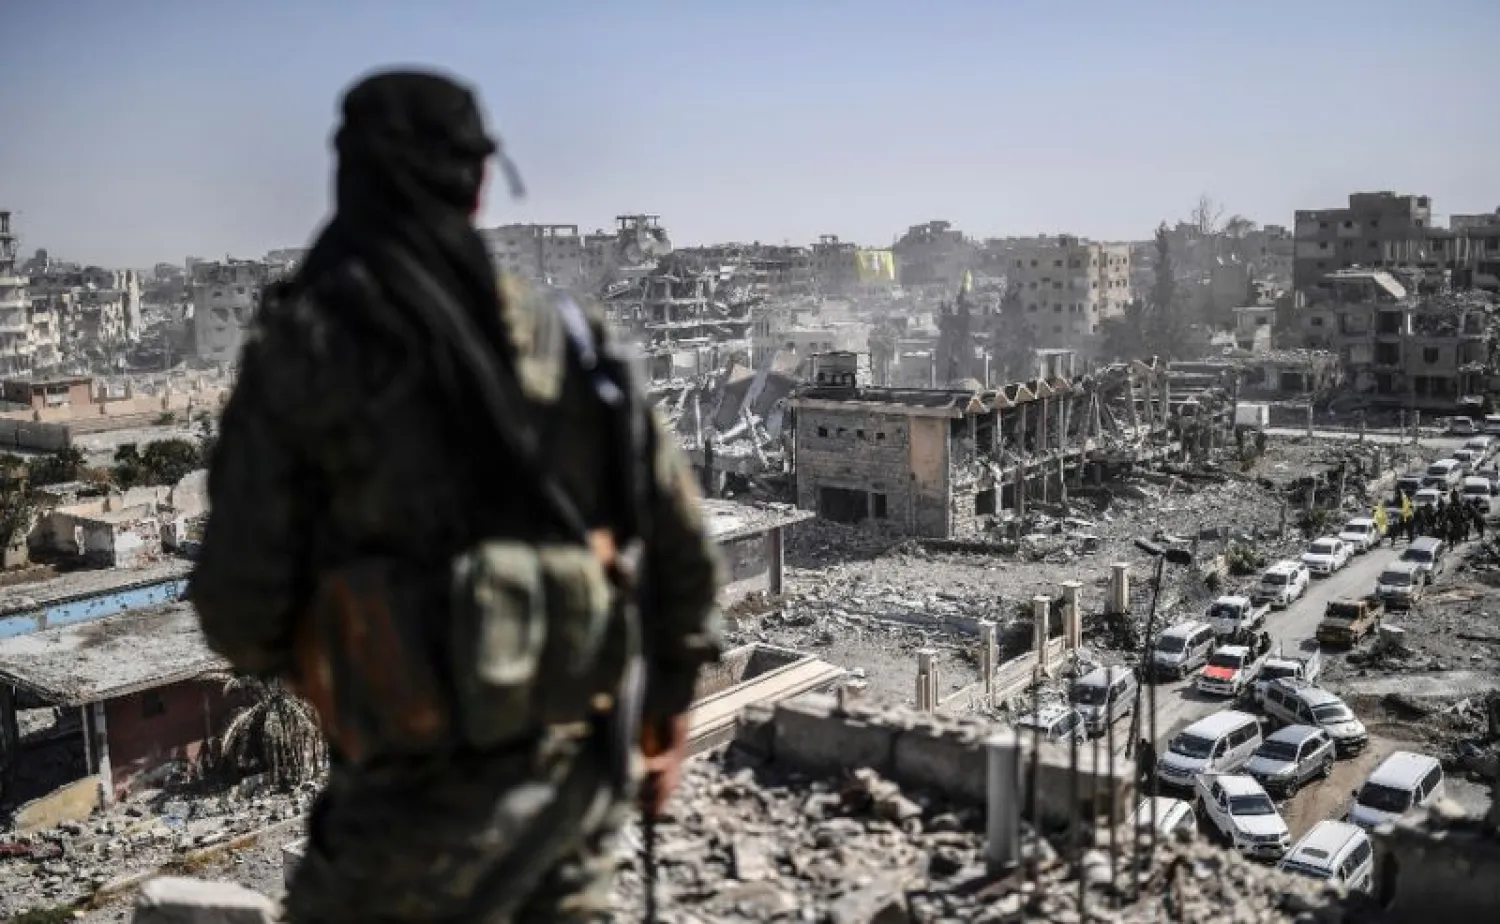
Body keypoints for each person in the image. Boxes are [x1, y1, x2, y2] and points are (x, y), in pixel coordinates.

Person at [190, 69, 722, 923]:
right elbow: (682, 560)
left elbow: (235, 607)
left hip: (399, 816)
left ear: (350, 182)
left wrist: (353, 646)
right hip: (567, 803)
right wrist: (663, 721)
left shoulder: (307, 351)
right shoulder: (570, 341)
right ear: (476, 186)